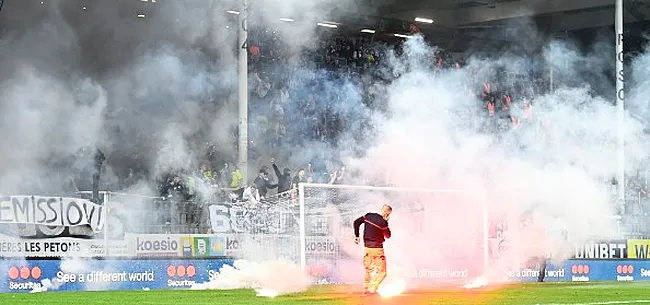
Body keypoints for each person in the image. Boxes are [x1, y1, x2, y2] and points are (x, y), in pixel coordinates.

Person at [353, 204, 392, 296]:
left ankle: (366, 289)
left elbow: (356, 222)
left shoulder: (368, 216)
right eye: (389, 213)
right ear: (387, 213)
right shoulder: (383, 222)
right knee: (382, 272)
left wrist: (357, 236)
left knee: (369, 269)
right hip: (377, 249)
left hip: (367, 248)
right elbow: (388, 236)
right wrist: (386, 222)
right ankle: (372, 289)